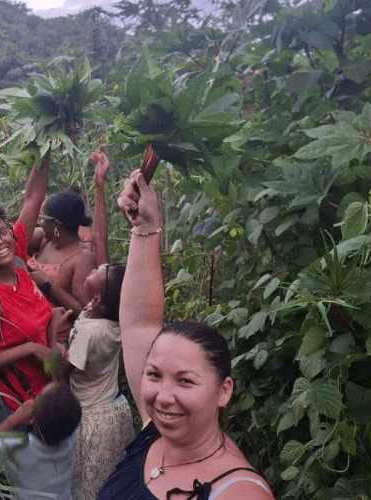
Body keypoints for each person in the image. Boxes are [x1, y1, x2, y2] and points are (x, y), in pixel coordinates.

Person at [95, 170, 274, 500]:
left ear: (223, 391)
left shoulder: (239, 493)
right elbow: (138, 324)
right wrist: (145, 228)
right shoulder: (156, 432)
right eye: (154, 375)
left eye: (185, 381)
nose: (164, 395)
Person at [0, 156, 73, 432]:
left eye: (3, 232)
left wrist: (47, 138)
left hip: (51, 404)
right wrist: (30, 349)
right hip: (19, 417)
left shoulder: (19, 260)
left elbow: (34, 195)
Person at [65, 262, 133, 500]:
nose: (92, 270)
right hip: (112, 407)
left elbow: (60, 371)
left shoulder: (92, 333)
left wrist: (53, 331)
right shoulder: (105, 316)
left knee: (89, 489)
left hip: (93, 420)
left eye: (96, 273)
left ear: (96, 297)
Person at [27, 149, 110, 332]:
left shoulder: (83, 258)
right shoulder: (44, 240)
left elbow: (84, 311)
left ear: (56, 225)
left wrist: (48, 284)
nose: (39, 222)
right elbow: (18, 233)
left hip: (58, 343)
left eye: (43, 219)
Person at [0, 382, 82, 500]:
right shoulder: (69, 440)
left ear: (32, 417)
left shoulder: (18, 449)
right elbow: (63, 413)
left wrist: (14, 419)